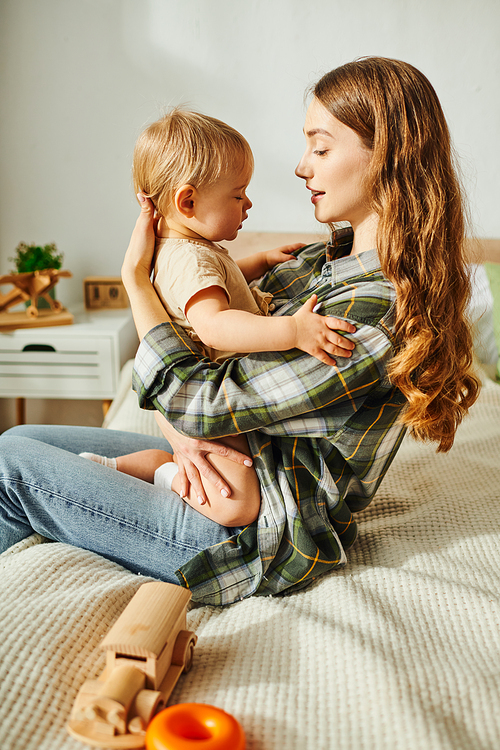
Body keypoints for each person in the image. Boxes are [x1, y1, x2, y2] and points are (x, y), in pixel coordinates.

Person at [0, 57, 480, 607]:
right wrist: (182, 438)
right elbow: (199, 355)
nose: (302, 167)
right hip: (228, 465)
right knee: (18, 441)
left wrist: (136, 284)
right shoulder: (320, 263)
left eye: (321, 148)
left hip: (248, 530)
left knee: (6, 469)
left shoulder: (373, 313)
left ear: (389, 157)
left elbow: (193, 398)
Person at [80, 109, 356, 526]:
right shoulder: (188, 259)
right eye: (238, 194)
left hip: (213, 390)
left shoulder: (191, 251)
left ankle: (154, 463)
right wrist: (293, 330)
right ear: (188, 201)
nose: (248, 203)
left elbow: (216, 287)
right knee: (238, 504)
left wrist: (259, 261)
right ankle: (156, 473)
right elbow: (213, 323)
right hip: (209, 394)